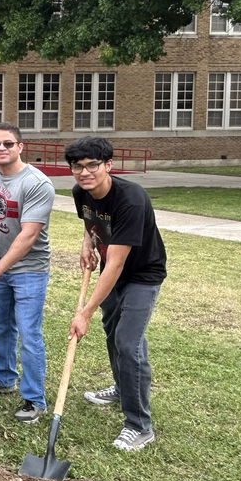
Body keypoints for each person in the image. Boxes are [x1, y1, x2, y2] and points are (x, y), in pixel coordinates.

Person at [66, 136, 166, 451]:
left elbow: (117, 263)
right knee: (113, 332)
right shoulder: (80, 192)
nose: (84, 172)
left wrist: (84, 313)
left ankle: (139, 426)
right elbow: (91, 222)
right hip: (113, 269)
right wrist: (87, 242)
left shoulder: (131, 199)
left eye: (92, 165)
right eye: (77, 166)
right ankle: (124, 389)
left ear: (108, 165)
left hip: (141, 275)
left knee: (128, 342)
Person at [0, 122, 54, 423]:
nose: (1, 149)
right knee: (2, 326)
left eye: (7, 144)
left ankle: (34, 399)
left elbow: (29, 235)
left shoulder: (37, 183)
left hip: (28, 269)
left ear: (20, 147)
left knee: (29, 333)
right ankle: (4, 378)